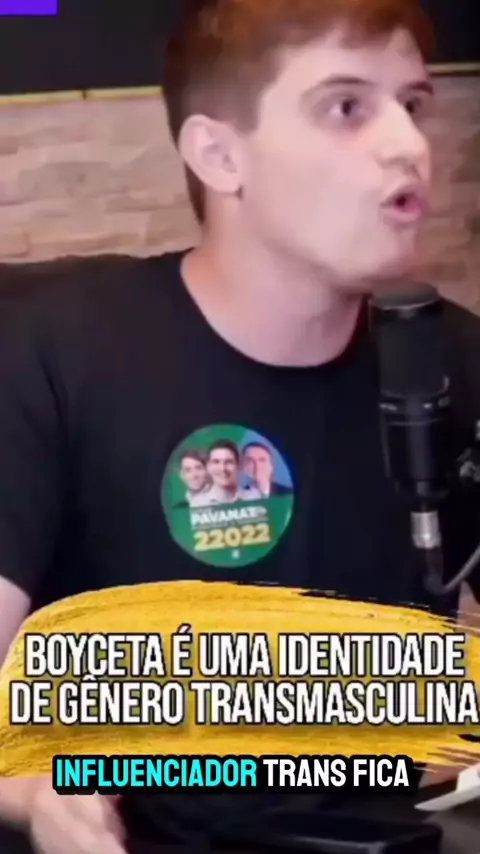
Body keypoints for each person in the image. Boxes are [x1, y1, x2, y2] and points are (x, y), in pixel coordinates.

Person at [1, 0, 480, 852]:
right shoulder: (58, 354)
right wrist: (32, 794)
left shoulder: (452, 356)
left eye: (413, 104)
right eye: (346, 107)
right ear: (220, 156)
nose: (408, 143)